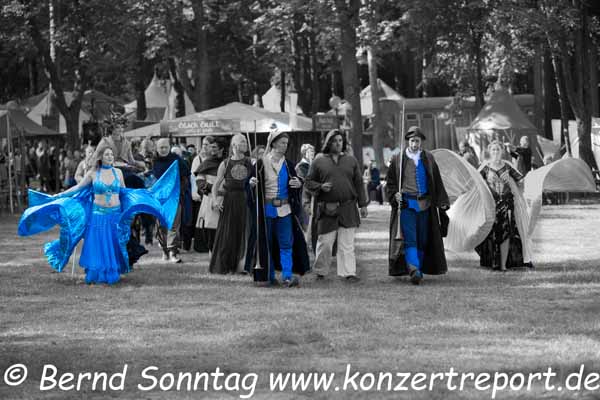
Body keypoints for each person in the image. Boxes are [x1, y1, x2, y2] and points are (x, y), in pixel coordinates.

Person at [17, 146, 180, 284]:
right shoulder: (93, 173)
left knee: (112, 244)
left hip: (115, 215)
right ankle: (96, 274)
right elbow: (78, 188)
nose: (110, 157)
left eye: (111, 154)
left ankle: (111, 273)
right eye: (107, 154)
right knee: (98, 245)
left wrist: (141, 198)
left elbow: (124, 193)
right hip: (98, 215)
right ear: (100, 157)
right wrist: (59, 195)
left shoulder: (118, 173)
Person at [386, 126, 450, 285]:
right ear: (408, 141)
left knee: (422, 238)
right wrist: (395, 195)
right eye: (412, 141)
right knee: (410, 238)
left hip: (426, 205)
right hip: (406, 204)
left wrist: (442, 201)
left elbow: (436, 180)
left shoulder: (428, 158)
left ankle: (418, 268)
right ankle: (414, 269)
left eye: (417, 141)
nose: (415, 144)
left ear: (421, 142)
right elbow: (390, 183)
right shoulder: (398, 159)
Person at [305, 130, 368, 282]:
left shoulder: (351, 160)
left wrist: (363, 204)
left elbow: (359, 183)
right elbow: (308, 182)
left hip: (348, 206)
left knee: (347, 243)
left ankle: (349, 273)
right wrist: (320, 187)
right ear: (328, 143)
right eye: (334, 141)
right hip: (327, 208)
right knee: (325, 243)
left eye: (340, 140)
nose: (338, 143)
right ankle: (321, 271)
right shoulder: (319, 160)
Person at [252, 129, 310, 287]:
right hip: (267, 209)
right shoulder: (261, 164)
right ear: (274, 143)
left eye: (287, 143)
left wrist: (298, 183)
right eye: (283, 142)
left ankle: (287, 276)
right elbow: (251, 183)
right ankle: (269, 276)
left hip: (285, 210)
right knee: (267, 243)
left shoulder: (289, 165)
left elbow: (296, 181)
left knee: (286, 243)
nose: (285, 145)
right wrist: (251, 184)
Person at [475, 141, 533, 270]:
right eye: (493, 150)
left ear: (502, 151)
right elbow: (476, 183)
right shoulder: (485, 167)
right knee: (492, 233)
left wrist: (513, 180)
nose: (496, 152)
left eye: (498, 149)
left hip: (507, 203)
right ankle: (493, 262)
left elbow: (521, 180)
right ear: (490, 152)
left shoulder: (507, 166)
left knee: (506, 232)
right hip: (491, 205)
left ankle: (503, 265)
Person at [209, 134, 253, 274]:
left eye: (245, 141)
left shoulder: (250, 161)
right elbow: (215, 185)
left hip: (245, 199)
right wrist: (215, 200)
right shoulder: (225, 163)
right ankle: (225, 265)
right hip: (229, 200)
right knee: (227, 233)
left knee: (245, 232)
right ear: (234, 145)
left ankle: (242, 265)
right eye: (242, 142)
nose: (245, 144)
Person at [153, 138, 191, 263]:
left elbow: (186, 174)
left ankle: (173, 252)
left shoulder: (176, 160)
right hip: (161, 199)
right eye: (161, 147)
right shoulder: (155, 161)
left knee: (174, 225)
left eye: (165, 147)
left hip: (175, 197)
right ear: (157, 149)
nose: (163, 149)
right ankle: (164, 251)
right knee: (161, 225)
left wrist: (180, 190)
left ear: (169, 147)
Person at [194, 136, 221, 253]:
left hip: (226, 199)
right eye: (211, 147)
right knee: (210, 228)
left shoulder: (227, 162)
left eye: (215, 147)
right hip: (210, 199)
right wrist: (211, 188)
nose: (212, 149)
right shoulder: (206, 163)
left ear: (222, 149)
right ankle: (212, 253)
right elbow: (200, 182)